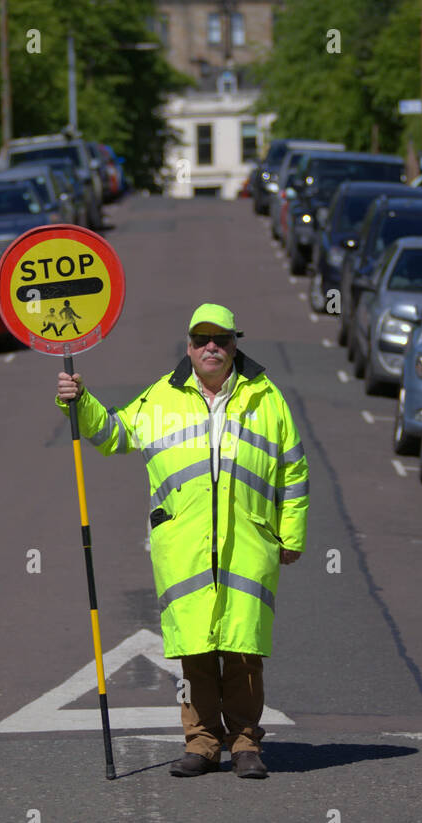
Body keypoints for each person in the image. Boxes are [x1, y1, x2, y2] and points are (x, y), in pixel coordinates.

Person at [54, 304, 308, 779]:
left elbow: (293, 471)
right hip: (184, 548)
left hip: (249, 545)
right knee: (194, 652)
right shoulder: (160, 398)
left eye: (222, 339)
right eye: (201, 339)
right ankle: (203, 743)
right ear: (189, 347)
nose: (211, 347)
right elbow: (114, 434)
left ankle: (247, 744)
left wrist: (291, 534)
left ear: (235, 344)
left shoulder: (267, 398)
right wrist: (80, 399)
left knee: (243, 650)